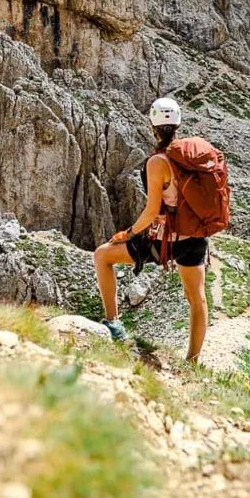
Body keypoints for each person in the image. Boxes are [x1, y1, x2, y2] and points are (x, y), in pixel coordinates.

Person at [93, 97, 208, 362]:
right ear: (178, 124)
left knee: (102, 255)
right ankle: (193, 361)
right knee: (197, 299)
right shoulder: (192, 153)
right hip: (198, 236)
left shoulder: (158, 162)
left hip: (168, 240)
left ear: (153, 125)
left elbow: (151, 211)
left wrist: (129, 233)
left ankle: (114, 325)